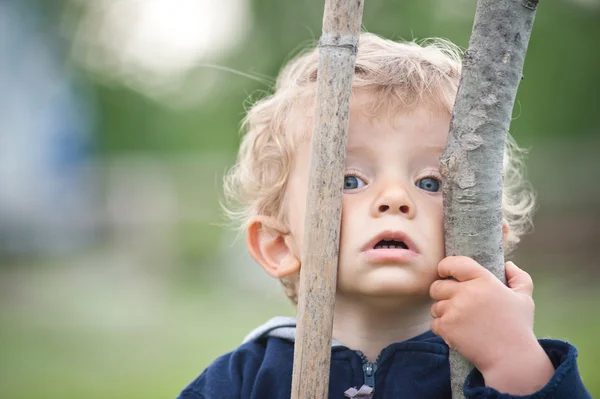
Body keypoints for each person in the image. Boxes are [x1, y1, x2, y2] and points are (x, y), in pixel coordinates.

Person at [177, 33, 590, 398]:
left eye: (430, 183)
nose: (394, 199)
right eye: (350, 180)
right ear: (279, 244)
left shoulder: (488, 367)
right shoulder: (244, 381)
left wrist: (514, 361)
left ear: (487, 242)